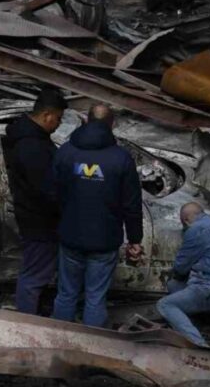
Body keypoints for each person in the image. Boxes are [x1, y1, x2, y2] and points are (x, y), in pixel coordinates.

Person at [45, 104, 143, 327]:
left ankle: (59, 339)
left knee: (66, 293)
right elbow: (132, 204)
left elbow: (52, 193)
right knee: (95, 298)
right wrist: (135, 239)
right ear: (112, 125)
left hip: (70, 237)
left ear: (86, 120)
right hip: (104, 241)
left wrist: (60, 223)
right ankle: (91, 344)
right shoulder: (121, 158)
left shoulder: (66, 152)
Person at [5, 88, 67, 315]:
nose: (59, 124)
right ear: (47, 115)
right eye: (58, 118)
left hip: (35, 218)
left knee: (35, 273)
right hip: (40, 221)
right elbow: (46, 188)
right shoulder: (32, 146)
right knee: (34, 277)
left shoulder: (32, 139)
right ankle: (26, 323)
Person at [156, 202, 210, 346]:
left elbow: (180, 268)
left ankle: (199, 345)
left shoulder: (195, 230)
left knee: (165, 305)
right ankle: (197, 328)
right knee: (174, 286)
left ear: (186, 220)